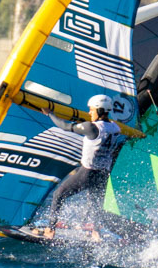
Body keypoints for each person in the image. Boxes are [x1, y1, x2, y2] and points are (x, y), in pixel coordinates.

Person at [40, 94, 138, 237]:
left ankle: (50, 229)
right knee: (95, 205)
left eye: (92, 110)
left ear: (99, 110)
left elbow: (65, 126)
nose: (89, 113)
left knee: (59, 194)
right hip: (103, 174)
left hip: (87, 173)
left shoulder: (91, 128)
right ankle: (96, 233)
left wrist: (50, 114)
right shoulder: (116, 128)